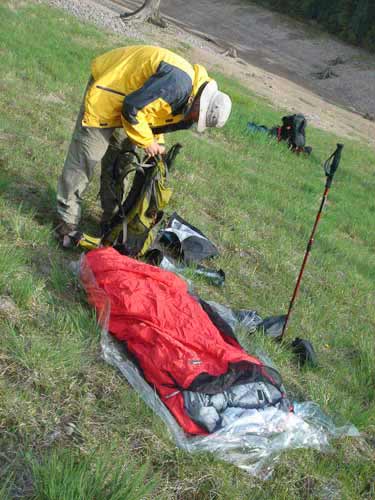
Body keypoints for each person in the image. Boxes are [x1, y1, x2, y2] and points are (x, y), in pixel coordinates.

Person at [55, 45, 232, 244]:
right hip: (110, 88)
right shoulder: (178, 84)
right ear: (201, 102)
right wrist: (147, 142)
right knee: (87, 156)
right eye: (197, 115)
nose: (194, 119)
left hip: (132, 102)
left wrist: (158, 142)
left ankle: (110, 220)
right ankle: (66, 221)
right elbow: (132, 108)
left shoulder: (188, 102)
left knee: (121, 163)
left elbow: (155, 113)